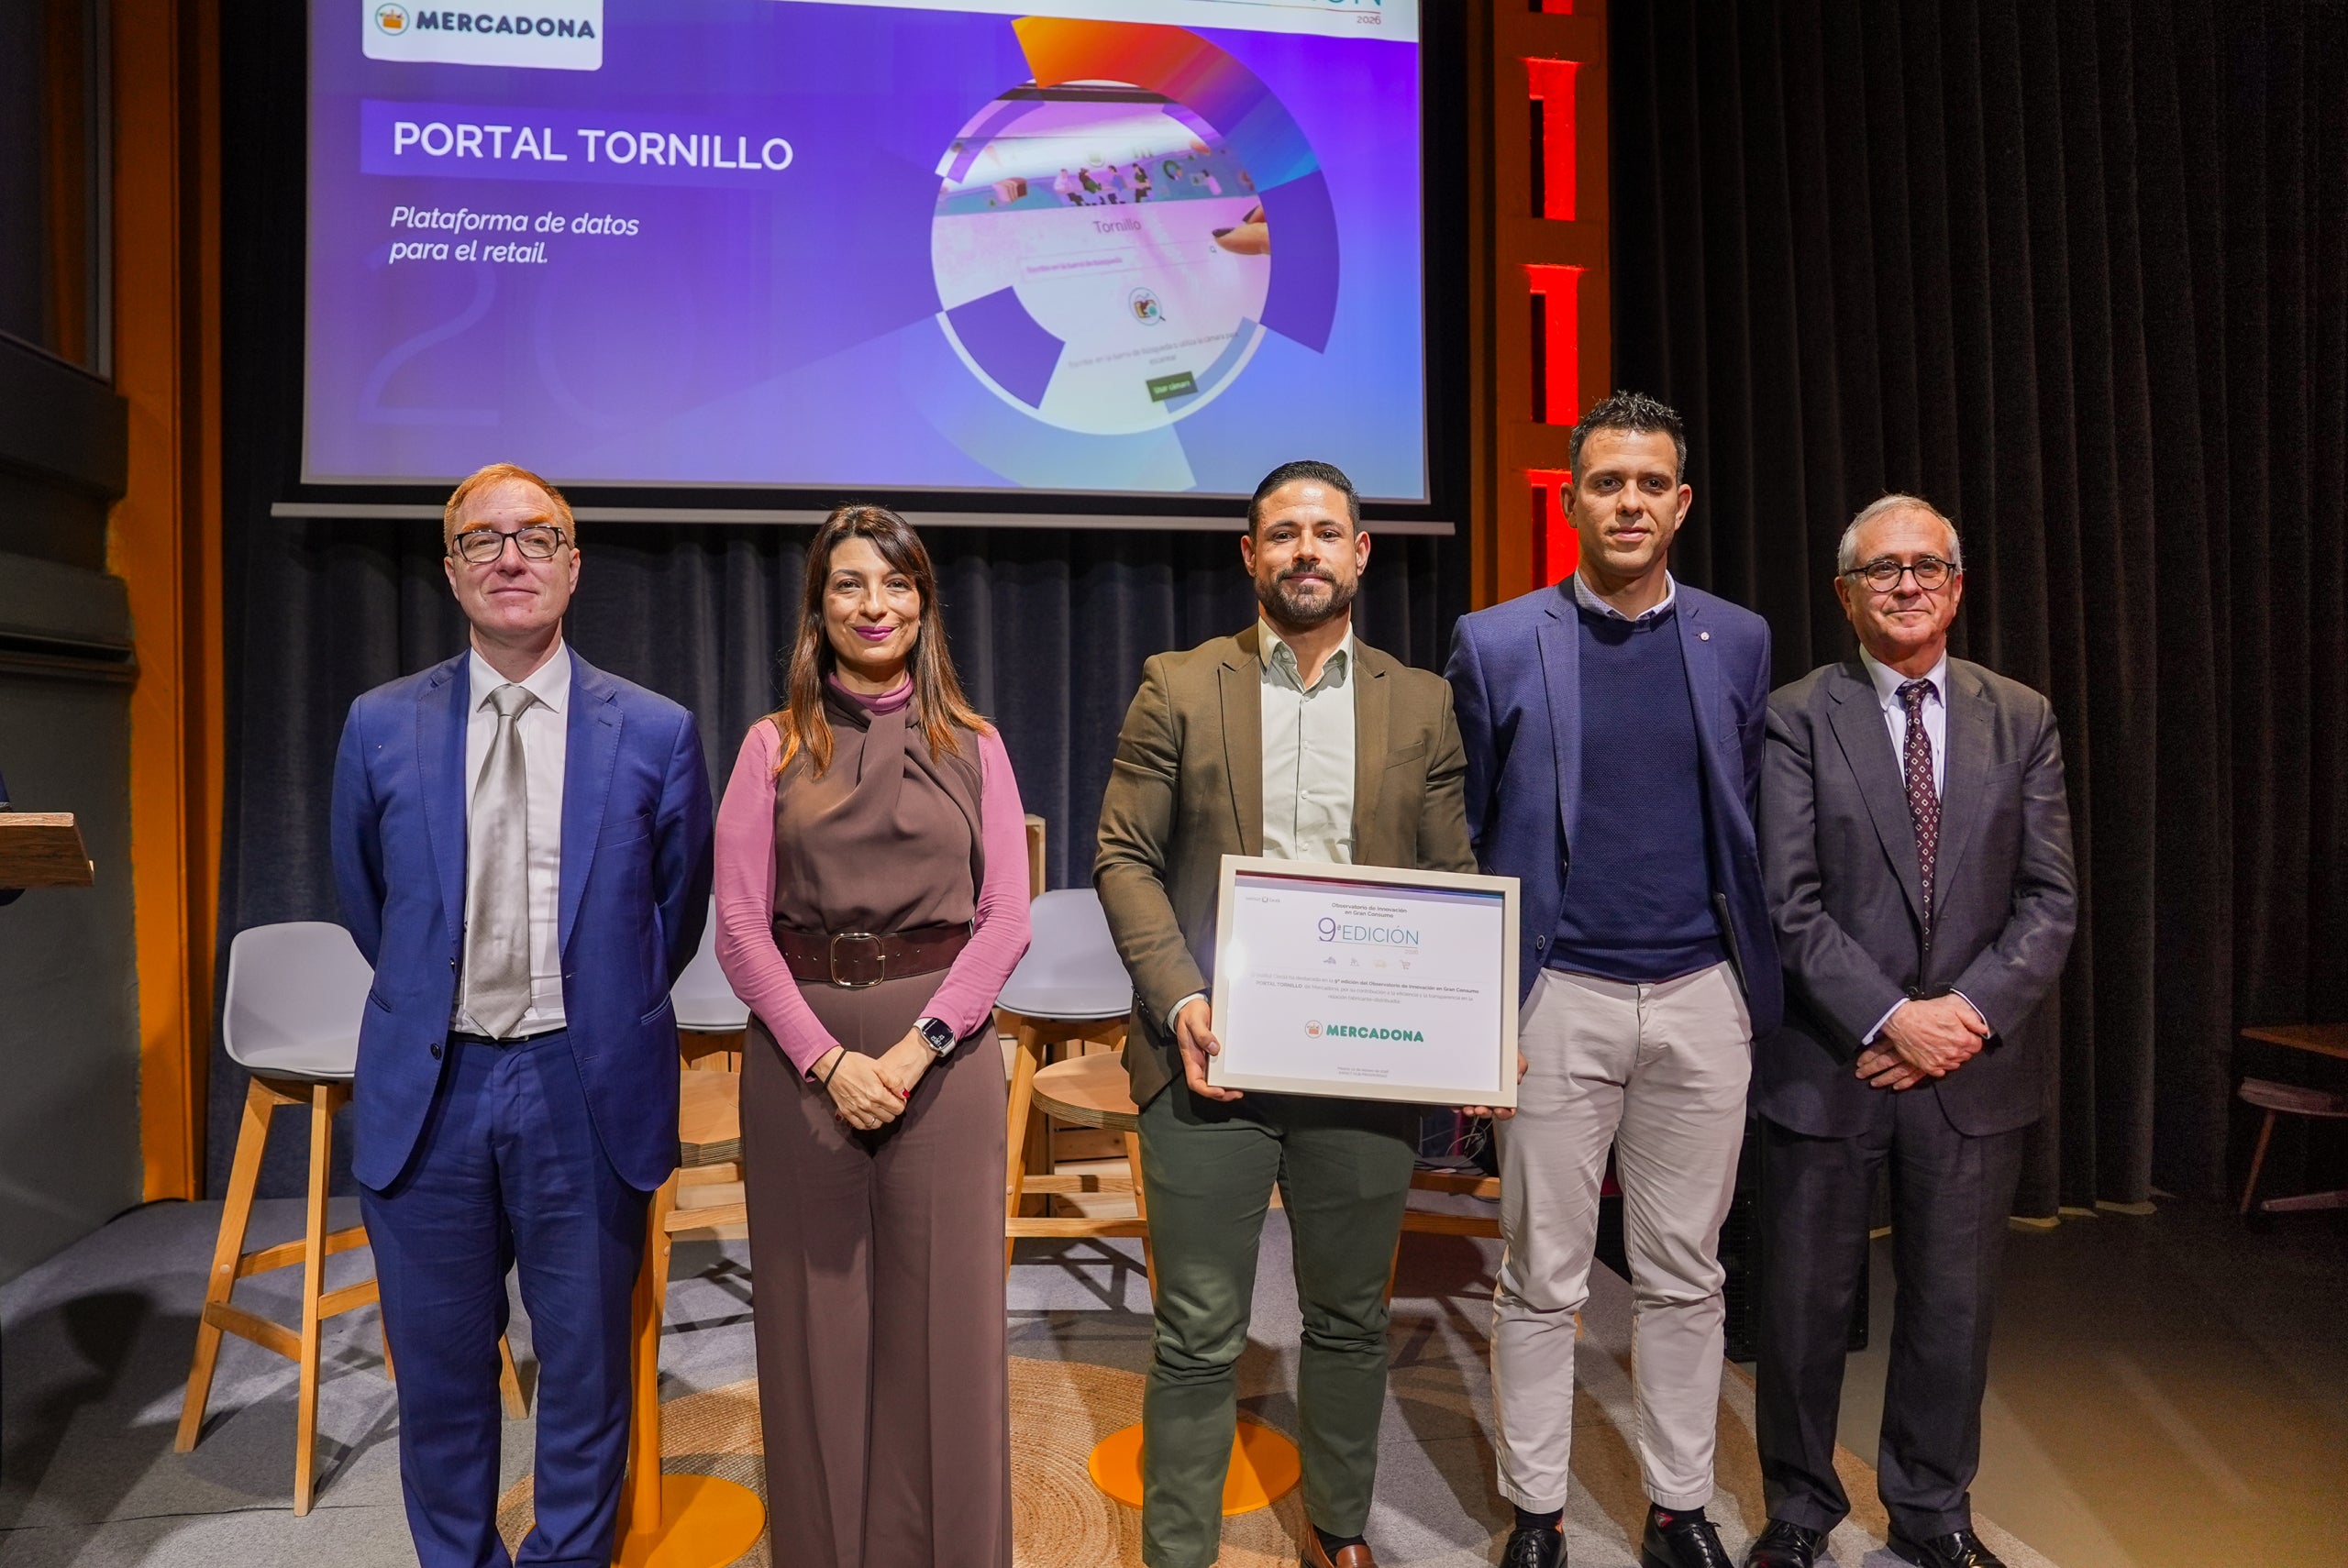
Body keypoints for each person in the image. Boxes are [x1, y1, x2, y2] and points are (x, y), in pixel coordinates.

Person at [330, 462, 714, 1568]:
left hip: (582, 1090)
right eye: (484, 540)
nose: (511, 556)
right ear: (450, 571)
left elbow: (669, 915)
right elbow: (373, 903)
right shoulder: (380, 724)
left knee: (587, 1379)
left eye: (538, 537)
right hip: (432, 1086)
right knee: (442, 1379)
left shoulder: (653, 730)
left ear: (573, 565)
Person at [1095, 459, 1475, 1568]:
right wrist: (1183, 1000)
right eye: (1281, 534)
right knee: (1199, 1333)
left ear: (1361, 553)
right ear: (1248, 555)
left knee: (1350, 1323)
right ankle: (1179, 1550)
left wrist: (1459, 1019)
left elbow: (1451, 879)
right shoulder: (1178, 681)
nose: (1304, 549)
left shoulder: (1422, 701)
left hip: (1363, 1069)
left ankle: (1341, 1529)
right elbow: (1123, 856)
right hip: (1208, 1057)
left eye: (1325, 532)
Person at [1445, 391, 1779, 1568]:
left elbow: (1746, 824)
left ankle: (1678, 1507)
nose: (1627, 502)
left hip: (1701, 997)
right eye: (1605, 482)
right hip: (1555, 1000)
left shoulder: (1737, 640)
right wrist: (1484, 1019)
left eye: (1649, 484)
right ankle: (1535, 1512)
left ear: (1679, 504)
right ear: (1571, 498)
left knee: (1688, 1276)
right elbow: (1468, 837)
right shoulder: (1494, 641)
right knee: (1540, 1275)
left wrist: (1745, 988)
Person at [1745, 496, 2076, 1568]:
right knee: (1801, 1307)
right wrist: (1892, 1017)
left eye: (1925, 566)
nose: (1904, 584)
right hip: (1830, 1059)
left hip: (1972, 1070)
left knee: (1952, 1311)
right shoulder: (1798, 714)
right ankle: (1799, 1511)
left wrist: (1962, 1020)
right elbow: (1785, 900)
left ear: (1957, 586)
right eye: (1879, 569)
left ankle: (1932, 1511)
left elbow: (2049, 901)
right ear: (1844, 593)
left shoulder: (2019, 716)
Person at [713, 505, 1031, 1568]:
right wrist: (827, 1058)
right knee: (816, 1330)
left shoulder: (975, 746)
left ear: (924, 604)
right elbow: (741, 929)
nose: (873, 606)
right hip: (804, 1057)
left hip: (941, 1058)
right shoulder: (771, 745)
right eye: (849, 585)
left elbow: (1007, 921)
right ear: (819, 605)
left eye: (895, 585)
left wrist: (916, 1045)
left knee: (947, 1331)